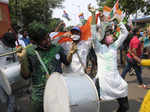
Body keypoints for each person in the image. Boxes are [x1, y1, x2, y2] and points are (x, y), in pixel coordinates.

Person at [16, 22, 75, 112]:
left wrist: (70, 54)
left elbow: (66, 62)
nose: (48, 40)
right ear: (33, 41)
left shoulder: (57, 47)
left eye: (48, 36)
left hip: (57, 94)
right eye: (43, 40)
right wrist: (23, 62)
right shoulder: (29, 52)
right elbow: (25, 76)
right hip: (39, 98)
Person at [89, 5, 129, 112]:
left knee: (125, 107)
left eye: (111, 34)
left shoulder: (114, 46)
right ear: (103, 37)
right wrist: (93, 15)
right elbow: (93, 35)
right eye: (108, 34)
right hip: (102, 83)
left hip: (116, 82)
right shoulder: (98, 48)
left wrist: (117, 19)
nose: (110, 35)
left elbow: (125, 33)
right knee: (92, 105)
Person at [0, 32, 18, 112]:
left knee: (11, 95)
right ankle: (14, 107)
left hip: (10, 75)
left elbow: (16, 60)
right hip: (0, 77)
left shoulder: (12, 47)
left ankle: (12, 108)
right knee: (4, 98)